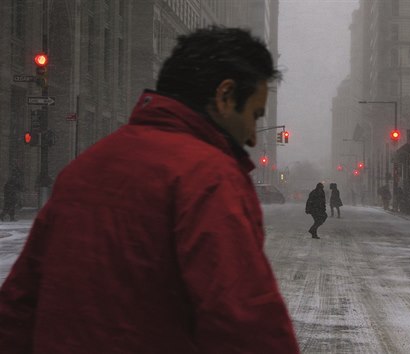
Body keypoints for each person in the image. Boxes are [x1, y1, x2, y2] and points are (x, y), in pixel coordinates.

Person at [0, 27, 299, 353]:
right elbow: (247, 325)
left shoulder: (82, 170)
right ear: (225, 96)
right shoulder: (209, 179)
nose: (254, 137)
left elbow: (19, 306)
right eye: (254, 115)